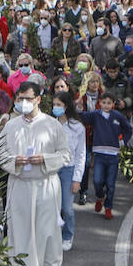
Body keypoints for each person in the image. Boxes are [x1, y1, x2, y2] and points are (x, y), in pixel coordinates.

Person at [0, 81, 70, 266]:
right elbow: (0, 155)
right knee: (20, 232)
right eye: (20, 99)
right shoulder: (10, 126)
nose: (24, 103)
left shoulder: (52, 125)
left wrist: (45, 159)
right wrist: (15, 161)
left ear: (39, 99)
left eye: (29, 99)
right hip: (20, 184)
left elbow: (66, 155)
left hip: (45, 183)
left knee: (46, 231)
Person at [81, 92, 133, 220]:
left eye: (109, 103)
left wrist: (123, 141)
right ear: (100, 103)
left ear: (113, 104)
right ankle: (100, 197)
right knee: (97, 180)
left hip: (113, 154)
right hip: (99, 153)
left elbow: (128, 129)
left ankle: (108, 207)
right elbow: (81, 117)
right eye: (103, 103)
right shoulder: (96, 115)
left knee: (110, 183)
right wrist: (76, 106)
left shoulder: (118, 116)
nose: (106, 105)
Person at [52, 93, 86, 252]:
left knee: (67, 207)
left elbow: (81, 154)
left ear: (66, 106)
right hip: (51, 168)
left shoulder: (77, 127)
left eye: (59, 105)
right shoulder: (49, 124)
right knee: (52, 206)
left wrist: (77, 179)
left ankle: (68, 235)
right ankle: (53, 235)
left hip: (68, 169)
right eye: (54, 104)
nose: (56, 108)